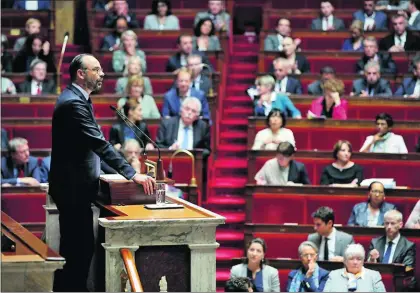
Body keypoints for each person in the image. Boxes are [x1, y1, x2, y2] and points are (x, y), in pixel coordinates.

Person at [49, 54, 155, 292]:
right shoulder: (73, 103)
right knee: (79, 249)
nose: (102, 74)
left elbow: (90, 147)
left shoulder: (79, 99)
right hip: (73, 190)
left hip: (76, 188)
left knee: (78, 249)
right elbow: (99, 144)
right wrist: (131, 173)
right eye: (96, 70)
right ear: (81, 73)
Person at [367, 210, 416, 289]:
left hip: (397, 283)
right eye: (386, 223)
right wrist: (372, 259)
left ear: (400, 225)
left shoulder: (408, 246)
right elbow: (368, 267)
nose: (389, 227)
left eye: (392, 223)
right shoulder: (375, 243)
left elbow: (408, 269)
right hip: (376, 283)